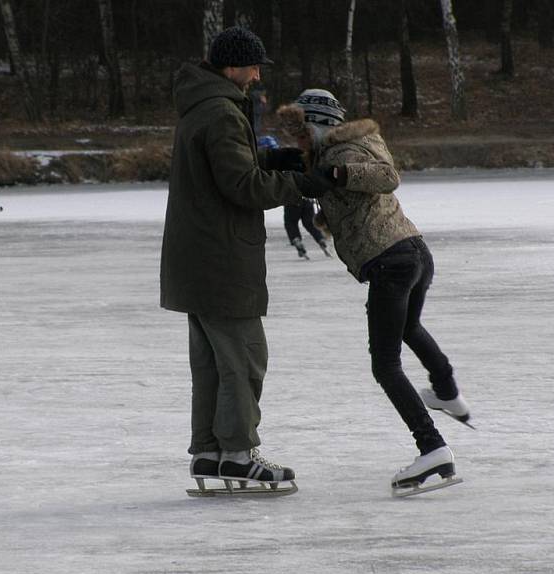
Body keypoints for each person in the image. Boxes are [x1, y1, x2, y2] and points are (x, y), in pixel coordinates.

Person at [160, 28, 338, 491]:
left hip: (195, 256)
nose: (258, 75)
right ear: (231, 66)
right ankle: (238, 453)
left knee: (214, 362)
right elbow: (242, 187)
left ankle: (209, 452)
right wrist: (302, 185)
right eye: (253, 66)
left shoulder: (202, 104)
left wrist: (274, 161)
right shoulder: (221, 111)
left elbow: (230, 167)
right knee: (244, 357)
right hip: (221, 256)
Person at [277, 89, 471, 494]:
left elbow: (386, 177)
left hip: (392, 262)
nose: (297, 141)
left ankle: (433, 447)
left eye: (300, 133)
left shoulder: (345, 148)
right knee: (408, 327)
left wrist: (334, 178)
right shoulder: (341, 148)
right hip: (412, 252)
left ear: (318, 124)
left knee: (385, 364)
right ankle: (447, 389)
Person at [258, 135, 331, 260]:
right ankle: (320, 239)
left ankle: (297, 241)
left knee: (291, 222)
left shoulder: (272, 161)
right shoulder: (289, 156)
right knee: (309, 222)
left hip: (293, 196)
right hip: (306, 196)